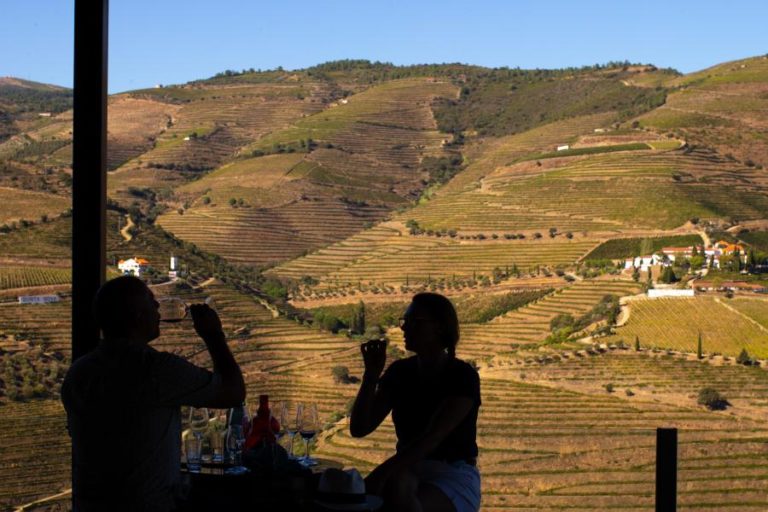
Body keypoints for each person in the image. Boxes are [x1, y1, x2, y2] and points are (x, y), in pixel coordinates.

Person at [62, 275, 246, 512]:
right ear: (138, 316)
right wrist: (213, 335)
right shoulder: (156, 369)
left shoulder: (79, 372)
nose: (158, 305)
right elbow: (233, 392)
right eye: (151, 301)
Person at [350, 292, 481, 512]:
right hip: (407, 468)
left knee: (397, 496)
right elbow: (360, 428)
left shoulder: (462, 376)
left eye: (415, 322)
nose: (404, 328)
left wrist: (381, 473)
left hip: (452, 473)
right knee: (396, 487)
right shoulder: (399, 372)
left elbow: (432, 437)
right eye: (405, 321)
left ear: (440, 327)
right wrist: (371, 376)